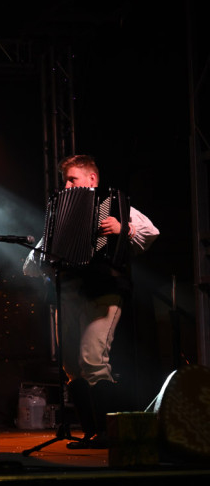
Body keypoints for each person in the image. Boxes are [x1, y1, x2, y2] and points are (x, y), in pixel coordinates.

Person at [25, 154, 158, 448]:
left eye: (72, 179)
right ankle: (92, 432)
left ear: (91, 179)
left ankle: (110, 432)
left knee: (93, 359)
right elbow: (31, 263)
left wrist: (125, 229)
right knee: (72, 366)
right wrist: (44, 261)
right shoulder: (60, 213)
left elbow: (151, 233)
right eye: (66, 181)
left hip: (104, 290)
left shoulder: (114, 205)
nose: (67, 186)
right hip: (70, 292)